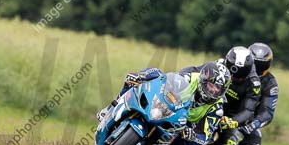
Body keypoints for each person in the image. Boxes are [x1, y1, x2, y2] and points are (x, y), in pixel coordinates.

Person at [97, 61, 231, 130]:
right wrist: (142, 78)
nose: (213, 90)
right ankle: (109, 109)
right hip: (169, 107)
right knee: (157, 73)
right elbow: (167, 80)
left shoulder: (217, 106)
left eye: (218, 88)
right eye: (212, 85)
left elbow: (205, 136)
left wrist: (193, 136)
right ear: (205, 79)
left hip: (184, 127)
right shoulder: (190, 76)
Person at [233, 42, 279, 145]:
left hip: (247, 119)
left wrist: (251, 125)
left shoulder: (270, 83)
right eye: (255, 64)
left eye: (261, 65)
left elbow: (267, 112)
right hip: (225, 109)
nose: (257, 69)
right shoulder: (237, 71)